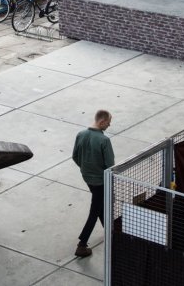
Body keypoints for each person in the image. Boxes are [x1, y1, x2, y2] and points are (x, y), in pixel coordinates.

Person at [72, 109, 114, 258]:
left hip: (87, 178)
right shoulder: (104, 140)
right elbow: (110, 166)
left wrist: (86, 169)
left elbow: (75, 156)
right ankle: (82, 244)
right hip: (101, 181)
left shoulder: (81, 134)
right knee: (94, 211)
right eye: (108, 123)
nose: (109, 125)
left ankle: (110, 232)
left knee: (99, 205)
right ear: (102, 122)